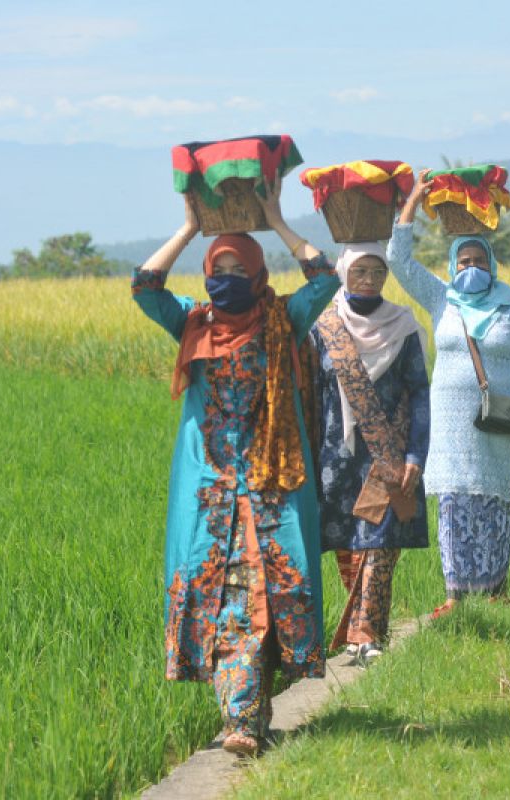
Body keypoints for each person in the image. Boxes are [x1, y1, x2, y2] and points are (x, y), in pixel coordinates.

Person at [131, 182, 339, 757]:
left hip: (273, 486)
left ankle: (251, 715)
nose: (226, 277)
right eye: (216, 267)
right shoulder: (193, 325)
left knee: (272, 596)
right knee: (224, 602)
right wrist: (188, 229)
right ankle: (243, 722)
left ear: (255, 273)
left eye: (235, 267)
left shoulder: (282, 320)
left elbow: (325, 280)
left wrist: (277, 222)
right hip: (209, 492)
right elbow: (144, 287)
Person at [386, 169, 510, 617]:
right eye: (463, 263)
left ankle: (495, 589)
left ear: (492, 264)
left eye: (478, 262)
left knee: (497, 502)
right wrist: (413, 201)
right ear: (452, 266)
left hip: (502, 420)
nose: (470, 269)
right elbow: (398, 261)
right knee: (454, 503)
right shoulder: (441, 298)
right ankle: (455, 595)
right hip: (450, 428)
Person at [311, 242, 430, 666]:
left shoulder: (403, 324)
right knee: (349, 543)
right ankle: (365, 626)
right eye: (360, 270)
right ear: (344, 271)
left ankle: (365, 633)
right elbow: (310, 392)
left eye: (377, 271)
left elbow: (419, 392)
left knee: (379, 544)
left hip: (388, 452)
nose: (368, 279)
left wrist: (416, 453)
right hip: (337, 456)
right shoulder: (324, 326)